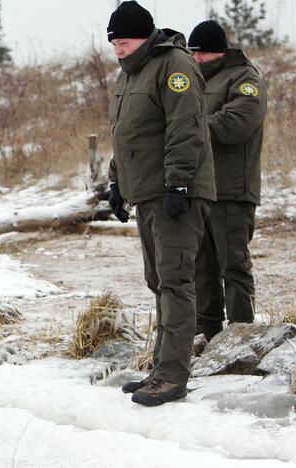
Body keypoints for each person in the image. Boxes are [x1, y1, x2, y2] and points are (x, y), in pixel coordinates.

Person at [105, 1, 216, 406]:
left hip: (175, 192)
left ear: (146, 36)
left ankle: (173, 376)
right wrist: (117, 182)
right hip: (147, 193)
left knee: (175, 282)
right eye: (114, 42)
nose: (119, 49)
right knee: (158, 282)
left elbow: (185, 126)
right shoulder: (129, 76)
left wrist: (179, 183)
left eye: (126, 40)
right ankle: (160, 369)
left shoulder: (174, 66)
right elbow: (126, 134)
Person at [188, 20, 267, 339]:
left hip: (233, 191)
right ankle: (206, 331)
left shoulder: (245, 78)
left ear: (219, 51)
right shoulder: (195, 82)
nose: (196, 59)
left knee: (233, 264)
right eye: (193, 53)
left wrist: (188, 125)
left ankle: (240, 333)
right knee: (201, 267)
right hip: (201, 189)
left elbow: (237, 124)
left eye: (202, 53)